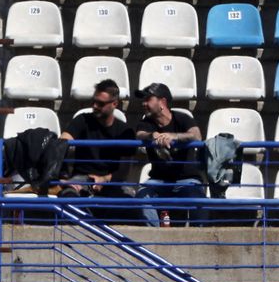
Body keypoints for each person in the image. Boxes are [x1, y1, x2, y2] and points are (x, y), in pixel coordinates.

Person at [132, 82, 204, 226]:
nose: (143, 103)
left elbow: (197, 136)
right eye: (143, 100)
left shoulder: (181, 118)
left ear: (162, 102)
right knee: (142, 196)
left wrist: (173, 136)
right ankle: (154, 238)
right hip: (158, 180)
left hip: (187, 179)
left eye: (148, 99)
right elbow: (140, 134)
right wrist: (153, 135)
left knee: (199, 200)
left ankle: (199, 239)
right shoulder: (146, 122)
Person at [58, 79, 136, 202]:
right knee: (68, 195)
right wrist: (62, 177)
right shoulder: (82, 120)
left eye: (100, 103)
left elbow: (124, 171)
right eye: (93, 101)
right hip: (82, 178)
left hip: (111, 181)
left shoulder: (124, 131)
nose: (95, 106)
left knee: (130, 200)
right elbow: (62, 143)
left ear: (115, 104)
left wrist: (104, 179)